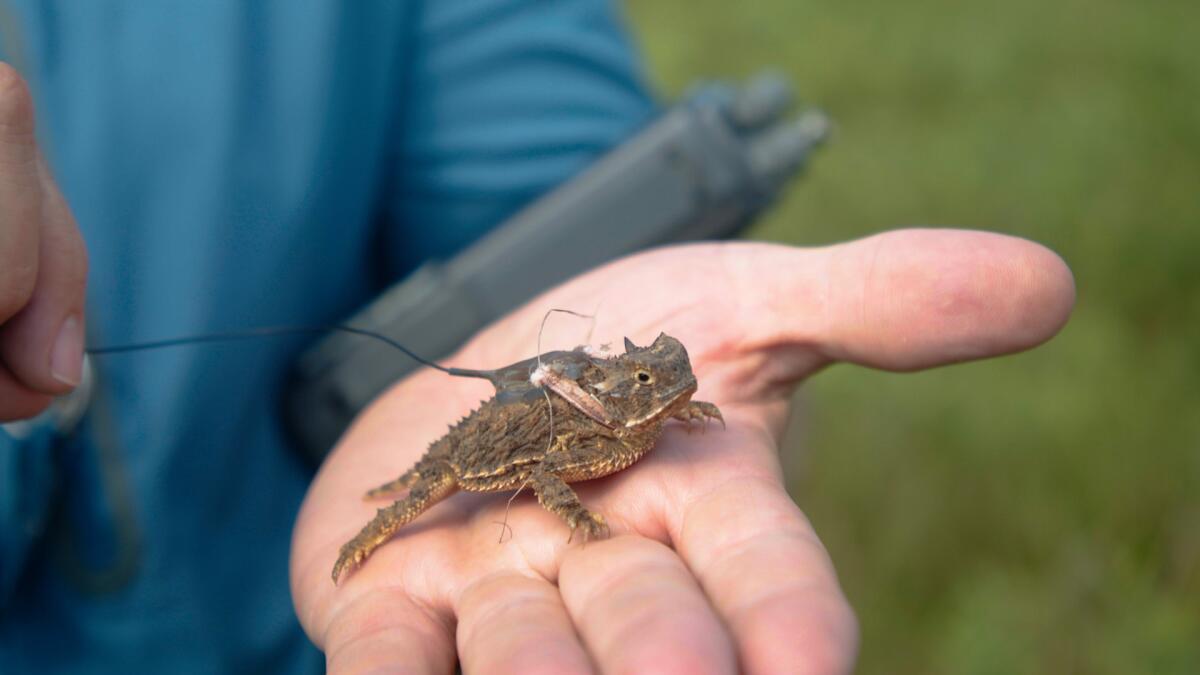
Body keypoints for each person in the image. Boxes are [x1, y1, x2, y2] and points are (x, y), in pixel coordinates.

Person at [0, 2, 1075, 673]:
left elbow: (564, 199)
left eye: (668, 371)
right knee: (418, 493)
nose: (672, 380)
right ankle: (373, 532)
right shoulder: (581, 442)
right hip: (427, 491)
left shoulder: (632, 412)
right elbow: (550, 479)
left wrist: (714, 395)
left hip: (358, 630)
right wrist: (576, 524)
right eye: (661, 375)